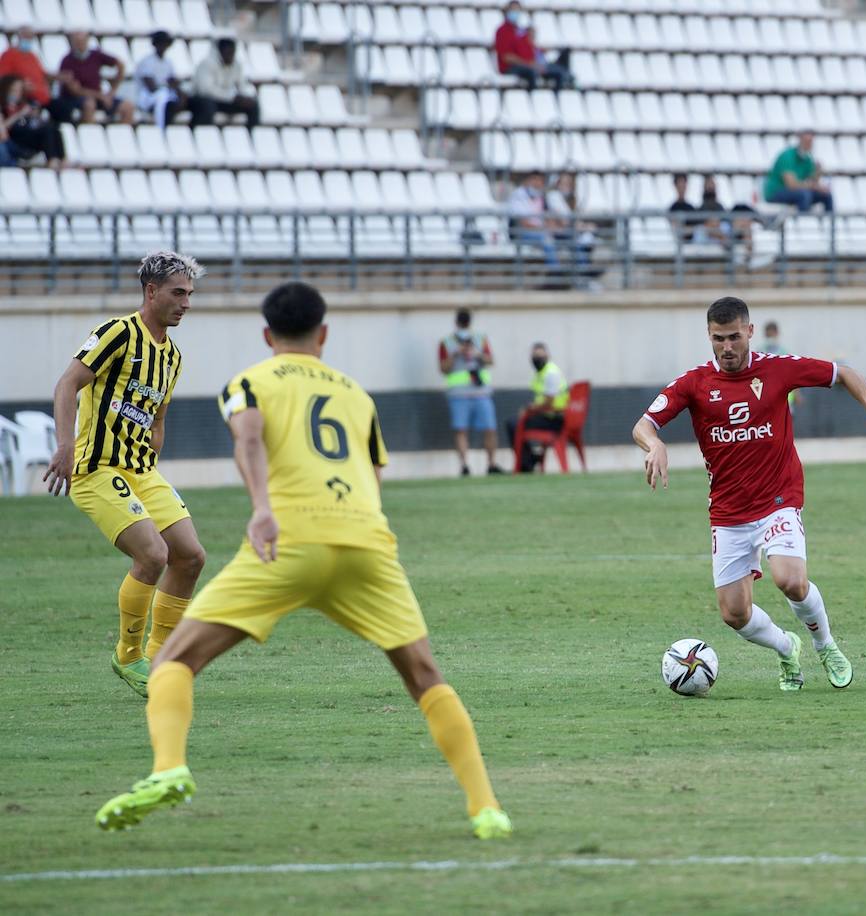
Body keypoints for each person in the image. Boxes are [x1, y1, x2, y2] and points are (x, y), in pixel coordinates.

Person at [94, 282, 512, 841]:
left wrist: (262, 508)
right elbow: (373, 475)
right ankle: (486, 807)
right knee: (424, 676)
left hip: (285, 542)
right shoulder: (357, 394)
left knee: (173, 662)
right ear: (325, 334)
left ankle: (168, 768)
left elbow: (248, 440)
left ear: (268, 335)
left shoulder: (250, 381)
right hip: (365, 544)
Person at [632, 296, 866, 691]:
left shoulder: (778, 369)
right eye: (718, 339)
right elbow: (644, 424)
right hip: (729, 511)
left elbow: (845, 373)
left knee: (790, 580)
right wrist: (655, 445)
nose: (727, 347)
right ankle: (787, 648)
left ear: (750, 331)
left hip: (778, 498)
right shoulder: (694, 383)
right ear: (709, 337)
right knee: (734, 613)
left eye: (734, 337)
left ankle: (826, 645)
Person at [42, 251, 208, 697]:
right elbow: (67, 384)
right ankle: (129, 655)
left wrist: (153, 460)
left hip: (142, 472)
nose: (186, 303)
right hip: (98, 468)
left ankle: (160, 655)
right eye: (178, 293)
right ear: (151, 291)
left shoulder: (171, 356)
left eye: (190, 294)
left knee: (190, 556)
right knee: (153, 554)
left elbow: (157, 419)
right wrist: (65, 444)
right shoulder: (117, 332)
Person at [439, 308, 501, 476]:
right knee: (461, 429)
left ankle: (492, 464)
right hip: (458, 395)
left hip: (481, 392)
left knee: (489, 428)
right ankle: (464, 465)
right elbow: (443, 368)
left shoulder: (480, 339)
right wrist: (455, 354)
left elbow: (490, 360)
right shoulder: (447, 342)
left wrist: (477, 354)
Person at [50, 31, 135, 125]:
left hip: (98, 96)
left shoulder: (96, 55)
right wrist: (101, 96)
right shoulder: (67, 61)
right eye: (77, 41)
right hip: (74, 99)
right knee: (89, 104)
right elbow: (75, 90)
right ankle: (89, 134)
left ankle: (121, 135)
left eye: (82, 41)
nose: (80, 44)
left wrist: (112, 91)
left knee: (128, 107)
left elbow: (120, 65)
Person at [508, 342, 568, 473]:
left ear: (547, 356)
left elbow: (549, 401)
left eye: (540, 356)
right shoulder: (541, 373)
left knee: (514, 424)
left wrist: (530, 410)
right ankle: (529, 460)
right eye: (535, 357)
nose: (537, 360)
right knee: (514, 422)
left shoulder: (551, 373)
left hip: (554, 418)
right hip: (546, 415)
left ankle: (527, 462)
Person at [494, 1, 573, 91]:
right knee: (532, 72)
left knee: (558, 72)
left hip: (528, 64)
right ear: (506, 11)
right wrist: (529, 64)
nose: (515, 13)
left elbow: (529, 50)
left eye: (517, 10)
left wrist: (539, 55)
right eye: (513, 10)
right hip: (512, 67)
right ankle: (532, 98)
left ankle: (556, 98)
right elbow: (506, 57)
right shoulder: (502, 31)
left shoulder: (520, 31)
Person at [189, 38, 259, 128]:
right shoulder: (207, 64)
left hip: (225, 100)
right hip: (201, 99)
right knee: (207, 105)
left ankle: (252, 135)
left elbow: (242, 85)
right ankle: (203, 134)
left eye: (232, 52)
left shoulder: (237, 65)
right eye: (227, 52)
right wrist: (231, 97)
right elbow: (205, 91)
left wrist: (244, 98)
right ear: (220, 51)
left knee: (252, 104)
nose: (230, 55)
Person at [1, 74, 66, 168]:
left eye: (20, 90)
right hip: (14, 140)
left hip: (27, 137)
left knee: (53, 128)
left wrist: (32, 116)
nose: (17, 93)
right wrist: (19, 115)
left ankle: (62, 160)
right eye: (14, 90)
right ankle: (52, 162)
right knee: (46, 131)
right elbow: (4, 131)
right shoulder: (3, 108)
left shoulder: (23, 105)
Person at [763, 130, 833, 213]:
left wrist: (817, 174)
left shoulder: (808, 159)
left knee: (826, 195)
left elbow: (812, 181)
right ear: (800, 140)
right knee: (804, 195)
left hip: (797, 192)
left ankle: (831, 224)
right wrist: (813, 186)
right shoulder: (787, 156)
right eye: (807, 141)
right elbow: (791, 185)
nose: (809, 144)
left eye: (810, 141)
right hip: (776, 192)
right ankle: (802, 223)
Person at [545, 172, 595, 286]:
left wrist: (583, 226)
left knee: (585, 243)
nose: (567, 186)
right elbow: (565, 220)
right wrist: (583, 227)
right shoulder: (554, 196)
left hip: (567, 232)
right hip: (558, 234)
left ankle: (583, 277)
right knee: (579, 246)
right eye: (564, 183)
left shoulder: (568, 198)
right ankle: (583, 279)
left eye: (569, 183)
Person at [508, 172, 560, 271]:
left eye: (540, 181)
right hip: (521, 234)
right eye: (535, 180)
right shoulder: (518, 196)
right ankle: (555, 271)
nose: (538, 183)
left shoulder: (541, 196)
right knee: (546, 238)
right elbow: (523, 223)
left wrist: (553, 226)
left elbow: (549, 216)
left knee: (572, 236)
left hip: (541, 231)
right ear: (528, 180)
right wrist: (544, 228)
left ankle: (582, 275)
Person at [133, 31, 184, 129]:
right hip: (148, 98)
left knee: (175, 100)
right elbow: (151, 87)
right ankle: (161, 129)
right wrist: (168, 86)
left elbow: (173, 81)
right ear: (155, 44)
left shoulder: (168, 62)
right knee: (163, 98)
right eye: (161, 43)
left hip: (165, 95)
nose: (163, 46)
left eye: (165, 43)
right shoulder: (146, 62)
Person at [0, 26, 52, 109]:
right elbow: (4, 77)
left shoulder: (33, 56)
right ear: (18, 37)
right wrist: (21, 84)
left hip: (41, 96)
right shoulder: (8, 55)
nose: (28, 40)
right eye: (25, 36)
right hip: (21, 96)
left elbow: (42, 74)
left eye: (30, 37)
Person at [668, 172, 698, 243]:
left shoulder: (691, 207)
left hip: (693, 244)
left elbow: (695, 228)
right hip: (677, 243)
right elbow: (675, 228)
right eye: (679, 184)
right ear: (675, 186)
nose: (682, 187)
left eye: (683, 184)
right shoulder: (672, 208)